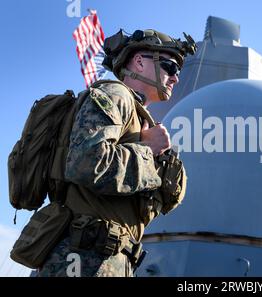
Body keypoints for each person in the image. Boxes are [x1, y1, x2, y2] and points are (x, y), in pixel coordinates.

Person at [37, 29, 196, 277]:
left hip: (111, 259)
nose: (175, 78)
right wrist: (148, 150)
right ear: (140, 62)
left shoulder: (140, 117)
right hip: (82, 257)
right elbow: (87, 164)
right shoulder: (115, 95)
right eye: (170, 67)